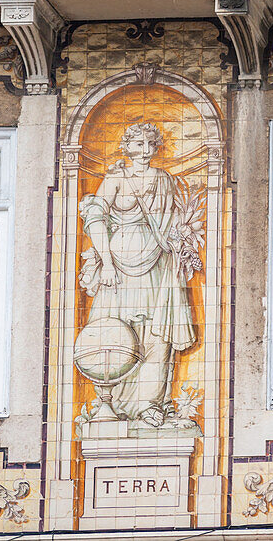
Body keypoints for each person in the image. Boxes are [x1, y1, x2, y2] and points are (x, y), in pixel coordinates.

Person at [78, 121, 196, 427]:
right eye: (139, 144)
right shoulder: (116, 178)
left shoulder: (164, 180)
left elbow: (171, 224)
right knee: (113, 329)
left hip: (156, 262)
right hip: (117, 265)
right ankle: (111, 402)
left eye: (151, 145)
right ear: (127, 147)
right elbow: (94, 218)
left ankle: (149, 404)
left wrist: (181, 249)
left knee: (156, 334)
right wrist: (106, 261)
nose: (145, 151)